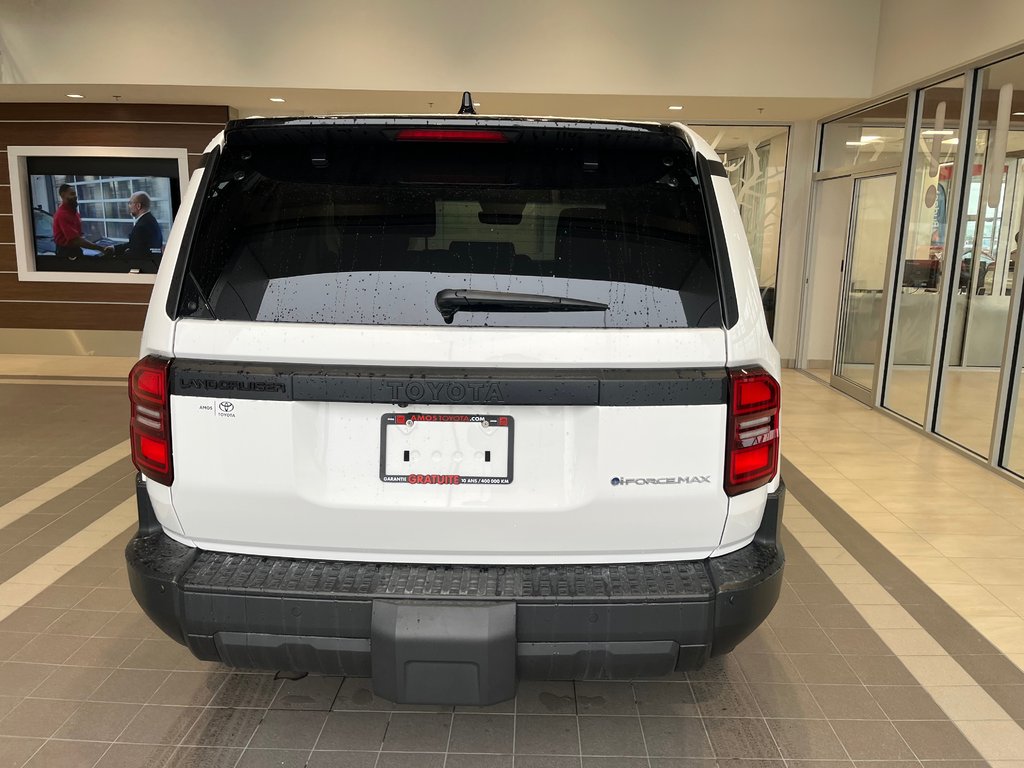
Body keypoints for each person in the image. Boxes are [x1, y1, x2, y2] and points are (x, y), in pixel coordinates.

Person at [105, 191, 163, 265]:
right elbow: (134, 244)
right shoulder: (150, 219)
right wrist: (114, 248)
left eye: (130, 203)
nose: (129, 206)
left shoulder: (141, 226)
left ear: (138, 206)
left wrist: (113, 259)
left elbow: (134, 255)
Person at [51, 184, 107, 261]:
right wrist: (100, 248)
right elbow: (75, 240)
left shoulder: (73, 212)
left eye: (75, 194)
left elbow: (78, 235)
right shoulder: (62, 214)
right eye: (72, 194)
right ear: (63, 196)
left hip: (75, 250)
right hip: (66, 254)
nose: (75, 197)